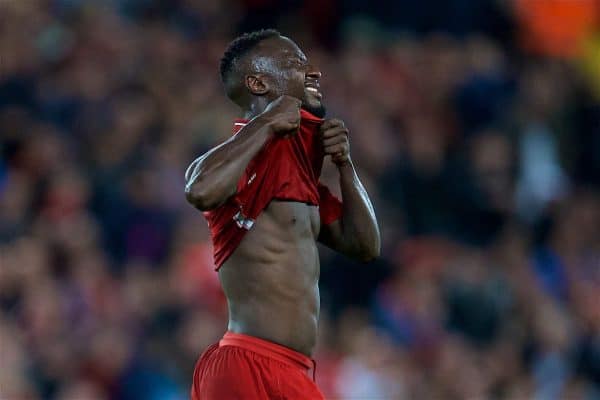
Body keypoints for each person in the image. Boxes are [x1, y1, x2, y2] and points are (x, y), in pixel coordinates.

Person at [185, 29, 380, 399]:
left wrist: (345, 165)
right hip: (248, 361)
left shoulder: (300, 172)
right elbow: (199, 189)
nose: (313, 73)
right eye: (294, 64)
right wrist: (269, 122)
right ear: (258, 82)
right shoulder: (240, 160)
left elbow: (365, 245)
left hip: (291, 368)